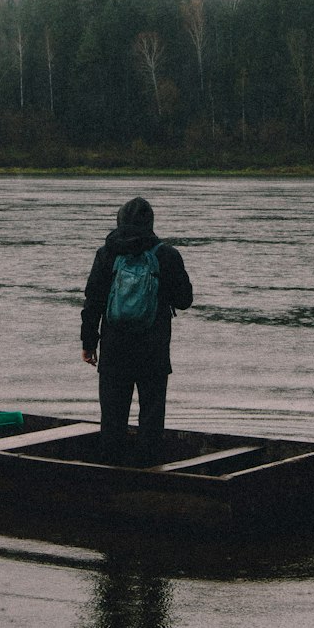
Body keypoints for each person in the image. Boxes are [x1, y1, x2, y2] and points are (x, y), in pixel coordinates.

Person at [81, 196, 193, 466]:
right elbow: (185, 301)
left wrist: (88, 343)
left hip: (114, 350)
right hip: (153, 351)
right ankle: (150, 473)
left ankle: (109, 474)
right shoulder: (166, 254)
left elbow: (93, 301)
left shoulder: (107, 253)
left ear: (119, 221)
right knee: (151, 418)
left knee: (112, 418)